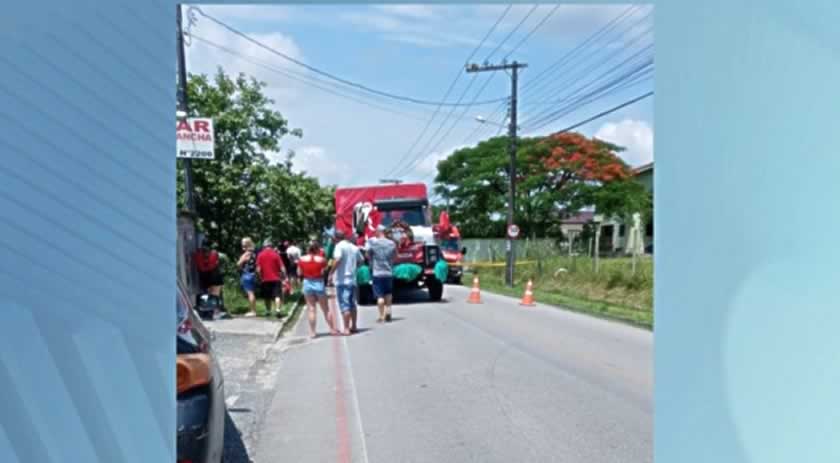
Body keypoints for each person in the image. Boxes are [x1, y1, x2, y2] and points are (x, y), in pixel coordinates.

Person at [298, 241, 338, 338]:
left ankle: (313, 332)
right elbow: (324, 271)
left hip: (307, 283)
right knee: (325, 309)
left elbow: (299, 273)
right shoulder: (321, 260)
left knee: (311, 309)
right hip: (318, 283)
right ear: (317, 249)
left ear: (308, 249)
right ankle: (332, 329)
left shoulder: (302, 259)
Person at [330, 230, 363, 334]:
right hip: (352, 280)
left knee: (345, 305)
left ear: (335, 238)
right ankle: (354, 326)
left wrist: (331, 273)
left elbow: (338, 259)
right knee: (352, 304)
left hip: (342, 280)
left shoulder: (339, 246)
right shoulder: (354, 247)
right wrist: (353, 269)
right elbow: (361, 260)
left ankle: (346, 328)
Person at [365, 225, 397, 323]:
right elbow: (395, 255)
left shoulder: (374, 244)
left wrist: (372, 261)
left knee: (380, 296)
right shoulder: (392, 243)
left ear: (379, 232)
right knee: (388, 293)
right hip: (388, 272)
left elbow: (367, 255)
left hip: (377, 272)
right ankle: (388, 311)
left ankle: (382, 316)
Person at [256, 239, 286, 317]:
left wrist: (259, 278)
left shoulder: (260, 255)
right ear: (271, 246)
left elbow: (258, 269)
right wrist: (284, 277)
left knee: (267, 297)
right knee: (277, 295)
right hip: (276, 279)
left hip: (265, 279)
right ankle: (278, 310)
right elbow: (282, 267)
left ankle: (268, 311)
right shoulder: (276, 254)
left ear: (264, 246)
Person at [237, 237, 258, 317]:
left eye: (243, 243)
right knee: (251, 292)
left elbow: (239, 264)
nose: (242, 244)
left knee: (250, 293)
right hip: (252, 274)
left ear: (247, 244)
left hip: (247, 274)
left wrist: (240, 262)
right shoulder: (253, 252)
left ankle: (253, 311)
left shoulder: (247, 253)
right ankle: (253, 310)